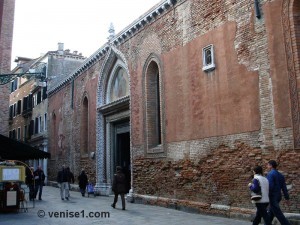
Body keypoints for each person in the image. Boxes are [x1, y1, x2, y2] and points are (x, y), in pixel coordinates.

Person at [266, 160, 291, 225]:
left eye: (268, 165)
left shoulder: (270, 174)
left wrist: (266, 195)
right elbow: (284, 188)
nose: (267, 166)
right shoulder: (281, 175)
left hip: (272, 196)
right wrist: (287, 198)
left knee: (278, 214)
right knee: (271, 213)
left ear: (271, 166)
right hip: (278, 196)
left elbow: (270, 186)